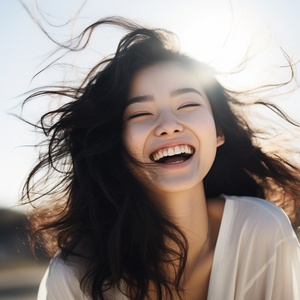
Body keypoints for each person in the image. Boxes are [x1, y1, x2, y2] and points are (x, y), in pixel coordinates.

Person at [21, 17, 300, 300]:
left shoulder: (261, 231)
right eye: (140, 113)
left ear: (217, 131)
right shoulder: (74, 276)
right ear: (115, 143)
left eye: (188, 104)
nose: (169, 124)